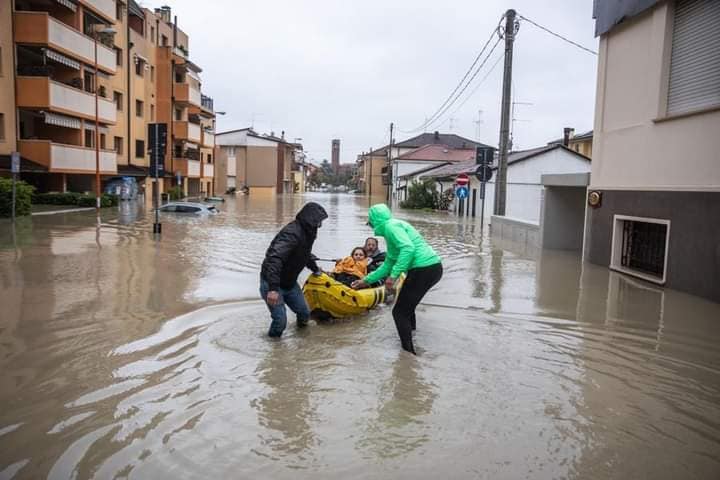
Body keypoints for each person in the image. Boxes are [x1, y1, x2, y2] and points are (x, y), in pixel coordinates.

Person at [352, 204, 443, 355]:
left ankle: (408, 356)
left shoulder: (390, 227)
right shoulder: (393, 228)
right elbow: (388, 263)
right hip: (431, 268)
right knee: (407, 307)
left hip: (423, 269)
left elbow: (408, 249)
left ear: (375, 221)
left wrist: (393, 276)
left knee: (399, 313)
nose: (370, 226)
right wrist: (366, 280)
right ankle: (412, 335)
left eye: (370, 223)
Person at [260, 202, 328, 337]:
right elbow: (274, 259)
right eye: (319, 221)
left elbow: (304, 254)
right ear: (311, 219)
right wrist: (273, 289)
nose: (320, 225)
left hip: (290, 283)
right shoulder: (291, 233)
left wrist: (315, 269)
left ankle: (301, 339)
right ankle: (274, 348)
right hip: (272, 283)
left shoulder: (308, 233)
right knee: (280, 321)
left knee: (304, 313)